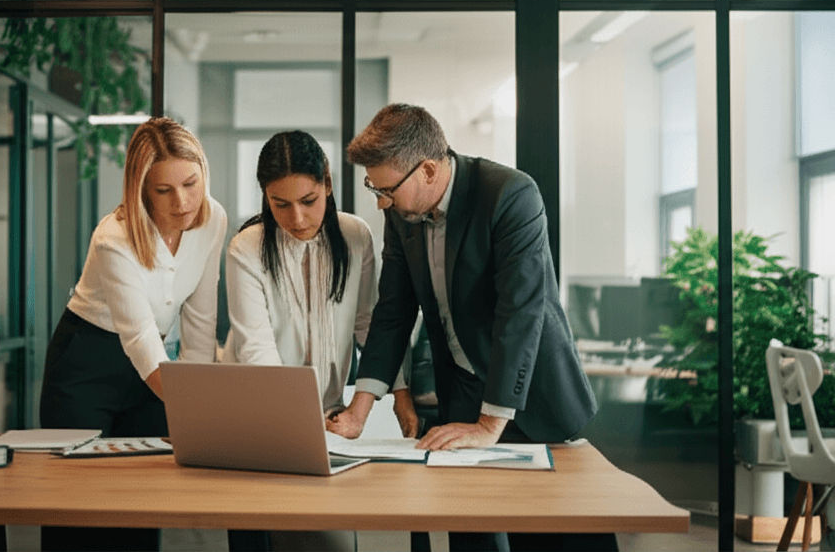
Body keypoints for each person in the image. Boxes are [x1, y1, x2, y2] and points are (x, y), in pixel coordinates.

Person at [327, 104, 606, 552]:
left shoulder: (511, 195)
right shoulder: (402, 212)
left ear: (430, 170)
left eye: (386, 190)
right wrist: (359, 409)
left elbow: (521, 312)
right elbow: (393, 311)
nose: (380, 202)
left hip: (529, 395)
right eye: (372, 189)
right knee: (474, 540)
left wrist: (490, 423)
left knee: (556, 539)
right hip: (461, 396)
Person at [38, 117, 227, 552]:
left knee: (144, 497)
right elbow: (138, 337)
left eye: (191, 183)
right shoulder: (114, 237)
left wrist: (199, 398)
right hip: (87, 362)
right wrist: (197, 411)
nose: (183, 202)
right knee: (76, 508)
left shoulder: (212, 218)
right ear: (142, 190)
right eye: (164, 190)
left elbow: (200, 317)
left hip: (154, 364)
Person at [222, 130, 416, 551]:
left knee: (329, 537)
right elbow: (256, 350)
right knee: (262, 536)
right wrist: (297, 427)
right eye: (280, 204)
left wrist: (400, 392)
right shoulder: (246, 249)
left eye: (308, 200)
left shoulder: (355, 235)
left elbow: (369, 323)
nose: (296, 219)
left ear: (327, 183)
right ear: (264, 198)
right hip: (257, 415)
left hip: (325, 417)